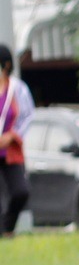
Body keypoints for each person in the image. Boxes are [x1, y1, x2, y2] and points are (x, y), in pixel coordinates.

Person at [0, 46, 35, 236]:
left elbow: (28, 116)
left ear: (5, 65)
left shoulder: (18, 89)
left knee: (21, 192)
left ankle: (7, 227)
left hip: (10, 150)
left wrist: (12, 136)